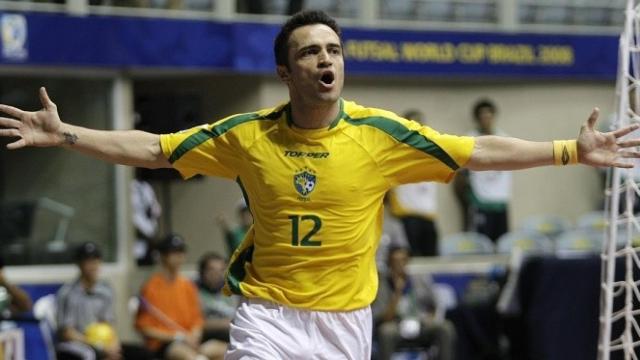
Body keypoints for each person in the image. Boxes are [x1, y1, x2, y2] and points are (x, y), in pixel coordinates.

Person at [1, 10, 639, 359]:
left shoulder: (381, 134)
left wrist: (567, 150)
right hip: (268, 315)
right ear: (286, 71)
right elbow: (156, 150)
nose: (326, 59)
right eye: (310, 51)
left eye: (333, 49)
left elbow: (476, 153)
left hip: (344, 323)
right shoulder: (247, 135)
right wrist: (69, 135)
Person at [56, 242, 152, 360]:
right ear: (79, 264)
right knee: (92, 354)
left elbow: (108, 324)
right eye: (88, 261)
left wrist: (113, 343)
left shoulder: (105, 290)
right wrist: (98, 346)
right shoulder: (67, 293)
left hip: (103, 341)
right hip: (77, 343)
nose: (93, 266)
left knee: (142, 353)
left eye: (96, 261)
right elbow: (67, 333)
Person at [135, 234, 226, 360]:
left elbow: (197, 320)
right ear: (162, 256)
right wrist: (178, 337)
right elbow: (144, 328)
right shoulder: (151, 286)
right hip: (165, 344)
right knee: (191, 357)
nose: (179, 256)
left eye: (181, 251)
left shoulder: (188, 285)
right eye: (173, 252)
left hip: (190, 340)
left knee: (225, 351)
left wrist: (194, 335)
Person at [372, 246, 455, 360]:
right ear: (389, 263)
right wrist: (397, 292)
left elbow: (434, 305)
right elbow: (385, 318)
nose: (399, 265)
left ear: (407, 261)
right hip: (396, 325)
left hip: (420, 322)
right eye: (395, 261)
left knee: (445, 328)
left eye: (403, 260)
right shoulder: (382, 285)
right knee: (385, 332)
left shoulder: (420, 279)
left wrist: (430, 317)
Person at [454, 99, 512, 242]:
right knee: (480, 243)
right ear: (477, 118)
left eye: (489, 115)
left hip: (501, 201)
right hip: (480, 201)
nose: (486, 119)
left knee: (502, 242)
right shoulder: (469, 139)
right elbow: (460, 173)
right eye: (483, 115)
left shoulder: (505, 138)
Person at [387, 109, 441, 256]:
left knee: (431, 262)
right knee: (411, 262)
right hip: (407, 217)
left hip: (428, 217)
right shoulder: (395, 153)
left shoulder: (431, 153)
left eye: (420, 123)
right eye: (413, 123)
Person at [196, 252, 237, 343]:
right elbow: (198, 324)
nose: (217, 274)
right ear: (202, 272)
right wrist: (228, 323)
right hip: (209, 338)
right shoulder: (195, 293)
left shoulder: (232, 292)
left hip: (233, 337)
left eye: (221, 270)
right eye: (211, 270)